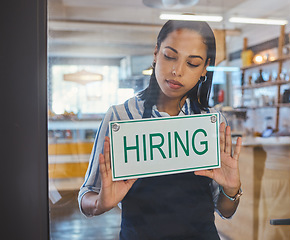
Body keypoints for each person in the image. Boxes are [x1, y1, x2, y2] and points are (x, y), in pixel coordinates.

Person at [78, 20, 243, 240]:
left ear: (205, 68)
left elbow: (225, 210)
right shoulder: (120, 117)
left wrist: (231, 190)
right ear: (156, 53)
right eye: (170, 56)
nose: (177, 71)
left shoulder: (212, 122)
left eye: (192, 63)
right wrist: (100, 203)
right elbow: (87, 193)